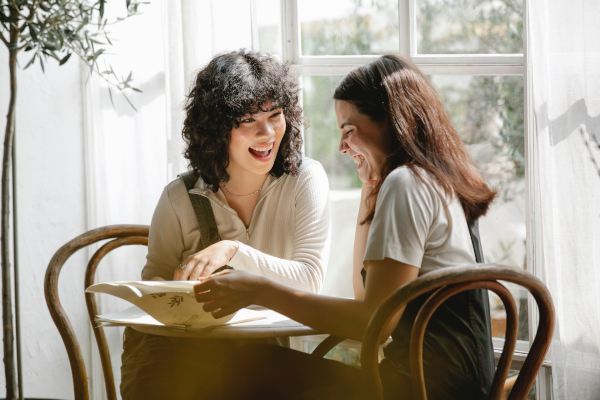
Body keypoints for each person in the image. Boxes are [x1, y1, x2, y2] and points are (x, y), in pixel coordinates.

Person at [194, 55, 498, 400]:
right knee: (258, 366)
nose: (341, 146)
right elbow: (365, 299)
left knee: (248, 367)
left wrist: (259, 291)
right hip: (452, 385)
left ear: (392, 122)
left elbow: (374, 324)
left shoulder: (407, 183)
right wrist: (370, 191)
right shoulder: (429, 179)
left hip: (424, 389)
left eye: (348, 131)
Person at [120, 49, 331, 400]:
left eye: (276, 115)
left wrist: (233, 251)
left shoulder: (305, 179)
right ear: (216, 130)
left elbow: (310, 281)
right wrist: (168, 289)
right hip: (183, 358)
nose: (267, 134)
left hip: (265, 361)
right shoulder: (179, 197)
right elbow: (154, 278)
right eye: (248, 121)